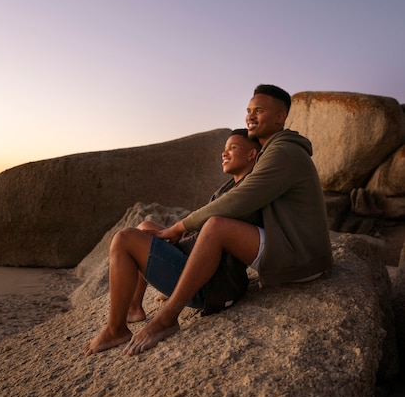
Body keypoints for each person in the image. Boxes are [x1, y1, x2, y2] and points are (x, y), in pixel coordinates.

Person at [120, 84, 333, 356]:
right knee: (203, 226)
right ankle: (150, 302)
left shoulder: (283, 152)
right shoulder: (274, 151)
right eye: (248, 110)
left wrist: (179, 227)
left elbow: (240, 200)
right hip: (291, 244)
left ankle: (166, 320)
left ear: (280, 117)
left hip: (301, 255)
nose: (250, 116)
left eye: (259, 110)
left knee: (217, 226)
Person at [84, 129, 262, 355]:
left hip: (210, 286)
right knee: (145, 227)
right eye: (224, 149)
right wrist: (172, 236)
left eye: (233, 148)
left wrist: (169, 244)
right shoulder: (229, 188)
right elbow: (203, 233)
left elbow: (213, 237)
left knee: (124, 239)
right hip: (209, 269)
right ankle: (133, 307)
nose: (224, 153)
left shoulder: (247, 190)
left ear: (251, 154)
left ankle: (115, 329)